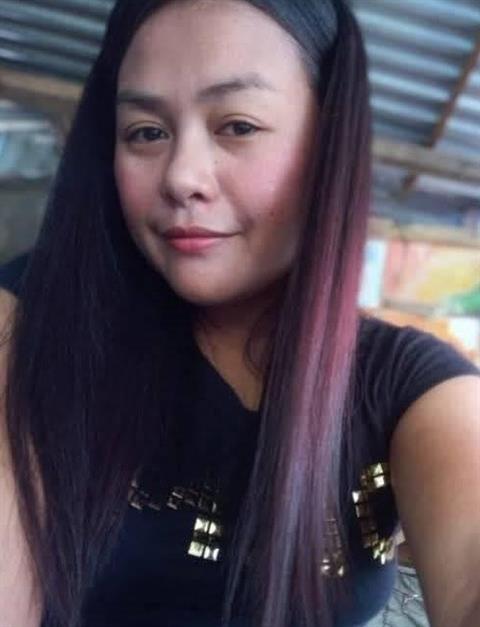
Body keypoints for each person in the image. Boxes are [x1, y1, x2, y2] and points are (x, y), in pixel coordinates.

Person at [0, 1, 479, 627]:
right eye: (146, 131)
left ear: (327, 144)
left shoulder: (409, 385)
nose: (182, 177)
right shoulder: (33, 320)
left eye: (238, 125)